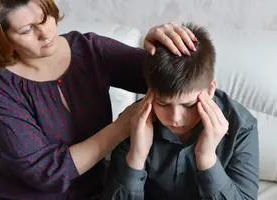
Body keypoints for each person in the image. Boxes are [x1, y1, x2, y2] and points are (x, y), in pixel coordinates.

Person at [0, 0, 197, 199]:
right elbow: (46, 173)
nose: (45, 33)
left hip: (94, 190)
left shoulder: (89, 49)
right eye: (26, 30)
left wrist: (157, 48)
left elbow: (170, 81)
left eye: (45, 18)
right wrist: (122, 126)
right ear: (2, 39)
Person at [101, 23, 259, 200]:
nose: (175, 118)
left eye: (189, 105)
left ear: (210, 90)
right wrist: (136, 157)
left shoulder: (242, 127)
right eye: (162, 103)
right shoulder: (134, 122)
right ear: (150, 92)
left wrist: (206, 158)